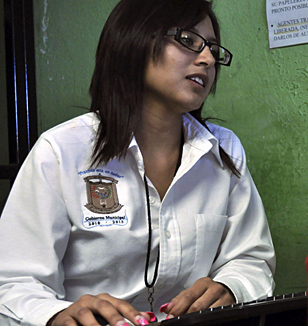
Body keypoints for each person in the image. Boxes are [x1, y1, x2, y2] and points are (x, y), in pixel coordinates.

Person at [0, 0, 275, 325]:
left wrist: (233, 286)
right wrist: (55, 314)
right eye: (189, 41)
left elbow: (251, 259)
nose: (207, 59)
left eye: (213, 50)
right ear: (134, 40)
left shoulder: (224, 150)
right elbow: (15, 284)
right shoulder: (61, 152)